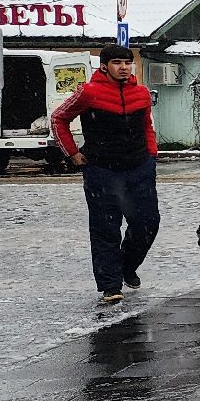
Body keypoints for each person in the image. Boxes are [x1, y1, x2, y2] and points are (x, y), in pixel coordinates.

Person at [52, 45, 160, 305]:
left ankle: (126, 265)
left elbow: (147, 125)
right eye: (116, 63)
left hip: (138, 168)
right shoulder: (89, 93)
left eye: (127, 62)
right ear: (104, 66)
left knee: (147, 223)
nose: (123, 67)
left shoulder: (142, 93)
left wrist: (151, 155)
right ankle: (110, 285)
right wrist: (73, 154)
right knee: (105, 228)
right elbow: (58, 119)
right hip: (102, 170)